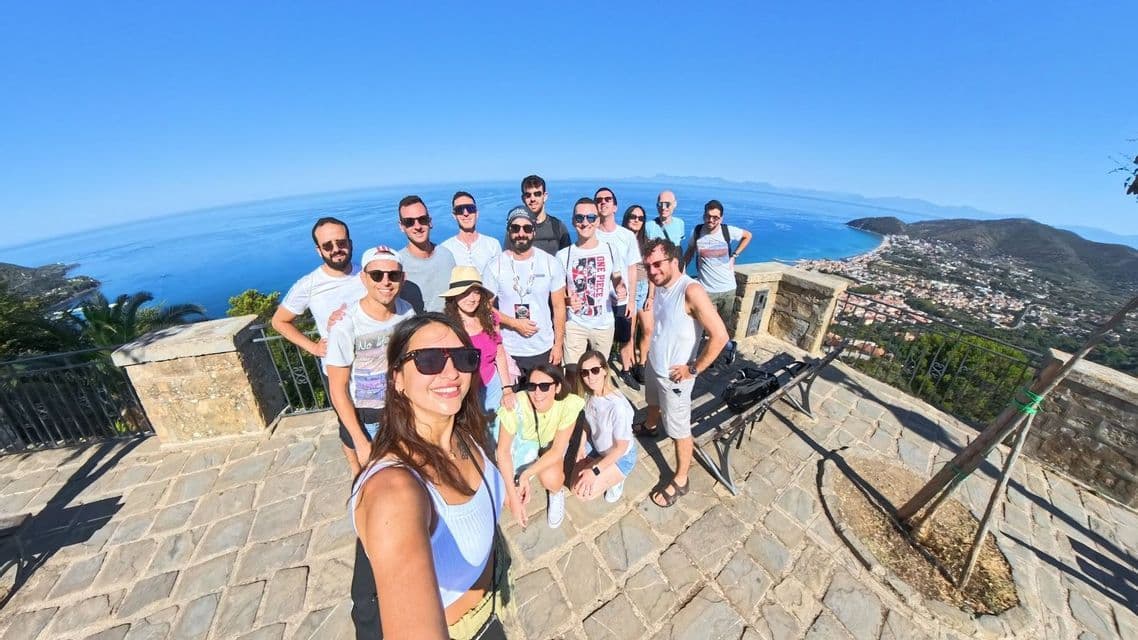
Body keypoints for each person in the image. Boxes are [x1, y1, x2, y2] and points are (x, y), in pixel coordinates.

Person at [351, 313, 506, 639]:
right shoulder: (395, 492)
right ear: (397, 379)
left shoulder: (461, 434)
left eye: (464, 358)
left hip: (492, 596)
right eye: (429, 360)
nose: (451, 373)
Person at [271, 216, 367, 472]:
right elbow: (280, 321)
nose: (336, 249)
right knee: (347, 423)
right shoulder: (309, 285)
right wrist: (313, 347)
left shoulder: (366, 275)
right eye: (328, 245)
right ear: (319, 250)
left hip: (371, 365)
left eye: (341, 242)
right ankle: (356, 469)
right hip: (336, 370)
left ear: (350, 243)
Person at [641, 239, 728, 508]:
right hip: (657, 366)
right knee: (652, 403)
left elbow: (721, 336)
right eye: (648, 266)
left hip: (676, 377)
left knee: (679, 429)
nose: (652, 271)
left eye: (657, 264)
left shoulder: (691, 291)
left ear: (674, 261)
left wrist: (693, 369)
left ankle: (681, 478)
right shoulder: (661, 287)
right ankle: (650, 426)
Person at [326, 245, 415, 476]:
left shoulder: (407, 313)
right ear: (364, 278)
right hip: (369, 415)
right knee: (381, 477)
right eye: (377, 275)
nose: (386, 281)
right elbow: (338, 388)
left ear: (402, 278)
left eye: (393, 275)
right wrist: (361, 441)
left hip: (402, 407)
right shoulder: (346, 324)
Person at [492, 363, 583, 530]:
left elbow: (556, 451)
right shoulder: (517, 404)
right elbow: (503, 452)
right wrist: (513, 497)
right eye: (532, 386)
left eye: (544, 386)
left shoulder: (567, 405)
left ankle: (556, 493)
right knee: (507, 499)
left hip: (549, 447)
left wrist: (525, 475)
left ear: (557, 387)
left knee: (551, 478)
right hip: (524, 447)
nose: (537, 393)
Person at [483, 206, 568, 376]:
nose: (521, 233)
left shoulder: (551, 263)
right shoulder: (494, 266)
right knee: (513, 401)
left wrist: (558, 345)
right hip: (509, 350)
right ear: (509, 231)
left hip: (543, 347)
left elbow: (559, 307)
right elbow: (484, 307)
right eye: (515, 228)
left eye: (527, 228)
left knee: (543, 399)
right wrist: (514, 323)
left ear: (534, 232)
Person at [556, 197, 627, 377]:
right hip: (574, 324)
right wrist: (567, 300)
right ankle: (577, 405)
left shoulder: (611, 249)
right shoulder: (563, 255)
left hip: (604, 323)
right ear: (573, 221)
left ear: (597, 220)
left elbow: (616, 277)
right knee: (572, 373)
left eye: (590, 217)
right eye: (579, 218)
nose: (585, 222)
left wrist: (620, 286)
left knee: (600, 374)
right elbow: (559, 294)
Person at [440, 266, 516, 416]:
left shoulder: (490, 318)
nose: (472, 298)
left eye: (476, 292)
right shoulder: (447, 326)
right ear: (454, 296)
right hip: (464, 393)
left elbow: (499, 354)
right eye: (465, 293)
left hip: (493, 385)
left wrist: (507, 389)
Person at [570, 350, 637, 503]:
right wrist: (581, 446)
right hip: (598, 446)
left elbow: (620, 448)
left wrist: (594, 471)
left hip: (621, 457)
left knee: (581, 493)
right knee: (575, 483)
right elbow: (587, 423)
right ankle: (604, 469)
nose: (590, 377)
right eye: (584, 372)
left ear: (605, 371)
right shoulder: (590, 395)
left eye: (594, 370)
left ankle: (617, 480)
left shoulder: (617, 406)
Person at [593, 187, 641, 387]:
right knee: (596, 339)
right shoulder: (591, 234)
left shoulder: (627, 235)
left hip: (621, 298)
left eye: (607, 199)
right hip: (598, 299)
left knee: (625, 337)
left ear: (615, 206)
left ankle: (626, 370)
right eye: (599, 200)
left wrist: (631, 299)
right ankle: (597, 373)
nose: (603, 202)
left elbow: (632, 268)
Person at [682, 199, 752, 332]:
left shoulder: (728, 231)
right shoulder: (697, 232)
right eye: (708, 216)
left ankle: (720, 352)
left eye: (715, 217)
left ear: (721, 218)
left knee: (722, 329)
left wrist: (735, 255)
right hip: (707, 291)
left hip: (728, 289)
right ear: (704, 216)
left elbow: (748, 236)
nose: (711, 220)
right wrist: (681, 272)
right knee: (703, 327)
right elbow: (690, 251)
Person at [396, 195, 456, 313]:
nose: (417, 226)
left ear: (430, 222)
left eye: (422, 219)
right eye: (409, 222)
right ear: (402, 227)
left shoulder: (446, 255)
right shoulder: (397, 264)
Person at [621, 205, 655, 386]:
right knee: (630, 333)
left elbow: (653, 272)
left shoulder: (647, 243)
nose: (636, 220)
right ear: (626, 218)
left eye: (641, 218)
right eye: (633, 216)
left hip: (643, 289)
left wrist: (651, 296)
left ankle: (641, 363)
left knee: (648, 329)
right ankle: (629, 366)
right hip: (628, 291)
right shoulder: (620, 239)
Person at [441, 191, 502, 273]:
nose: (466, 213)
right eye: (459, 210)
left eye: (470, 208)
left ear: (477, 213)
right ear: (454, 216)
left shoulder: (493, 245)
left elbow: (499, 278)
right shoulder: (446, 249)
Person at [514, 174, 571, 256]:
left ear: (545, 196)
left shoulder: (558, 227)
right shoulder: (516, 229)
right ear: (523, 199)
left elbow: (567, 260)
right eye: (528, 195)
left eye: (537, 194)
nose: (532, 199)